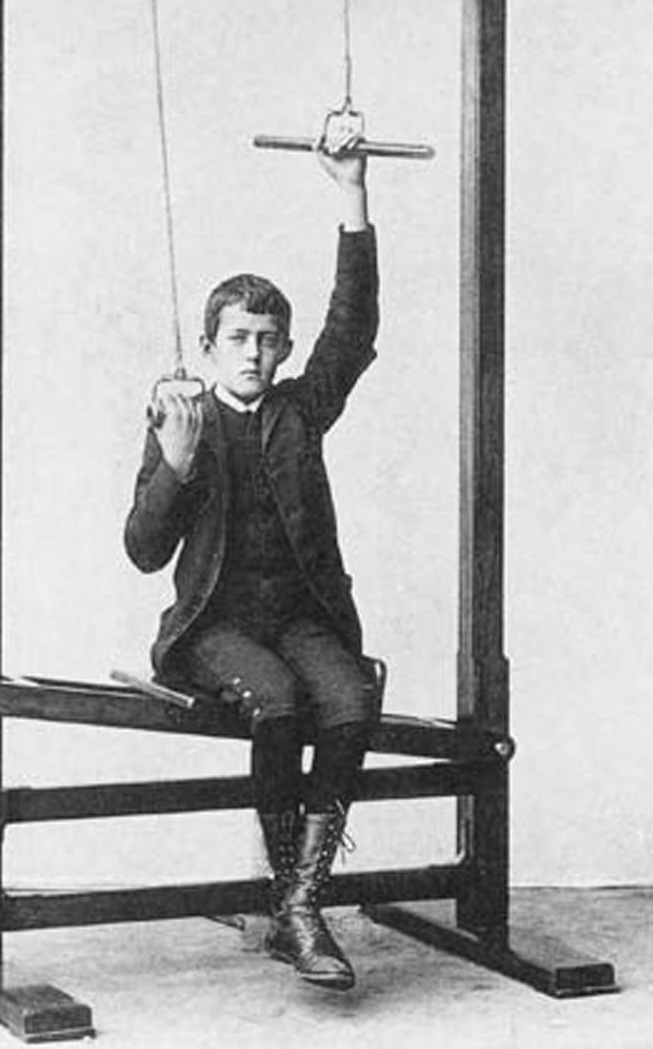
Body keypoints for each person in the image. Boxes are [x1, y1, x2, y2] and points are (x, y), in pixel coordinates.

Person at [124, 142, 378, 991]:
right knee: (276, 699)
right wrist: (176, 463)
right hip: (216, 629)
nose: (254, 355)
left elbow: (356, 326)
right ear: (208, 343)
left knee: (347, 697)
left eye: (270, 341)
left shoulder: (302, 410)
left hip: (304, 619)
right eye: (237, 337)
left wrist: (353, 191)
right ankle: (294, 907)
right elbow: (143, 550)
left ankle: (297, 904)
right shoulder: (178, 415)